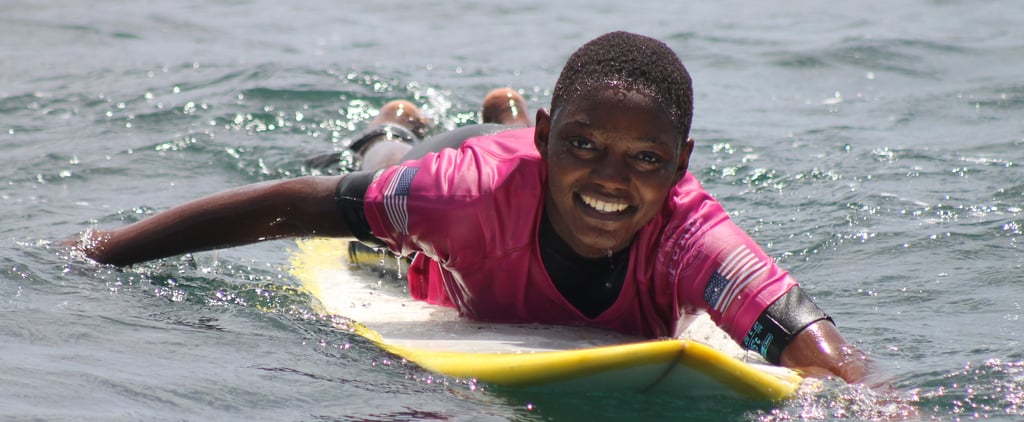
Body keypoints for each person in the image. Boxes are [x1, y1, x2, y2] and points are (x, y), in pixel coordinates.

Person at [69, 31, 873, 384]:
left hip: (527, 157)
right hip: (464, 178)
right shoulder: (454, 197)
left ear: (682, 167)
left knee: (571, 176)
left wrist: (871, 401)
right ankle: (400, 122)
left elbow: (808, 334)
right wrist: (110, 249)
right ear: (555, 138)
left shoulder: (693, 238)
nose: (616, 181)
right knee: (387, 171)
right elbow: (299, 205)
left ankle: (510, 115)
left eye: (648, 161)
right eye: (586, 144)